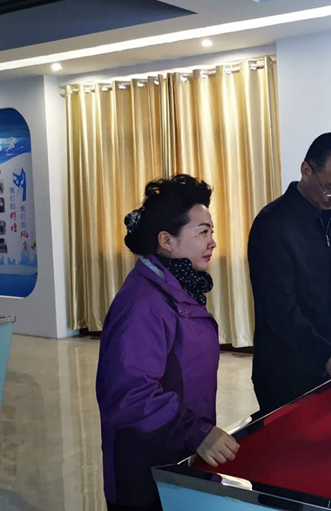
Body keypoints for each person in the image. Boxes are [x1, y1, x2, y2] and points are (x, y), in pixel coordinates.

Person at [96, 175, 239, 511]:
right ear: (167, 241)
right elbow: (130, 394)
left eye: (212, 232)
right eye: (202, 232)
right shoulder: (143, 303)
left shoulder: (178, 287)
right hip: (144, 471)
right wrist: (196, 432)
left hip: (175, 455)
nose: (212, 242)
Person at [249, 133, 331, 414]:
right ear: (306, 170)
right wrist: (324, 354)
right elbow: (278, 309)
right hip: (287, 371)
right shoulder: (273, 224)